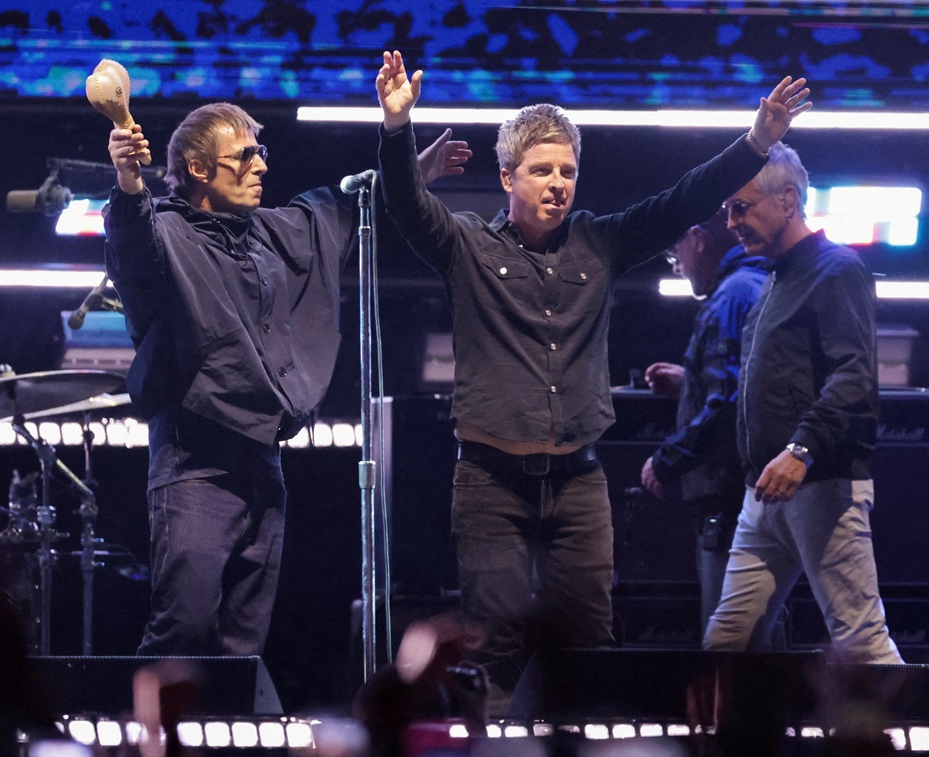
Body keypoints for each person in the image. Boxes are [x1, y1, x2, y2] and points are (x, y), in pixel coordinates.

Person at [374, 49, 811, 711]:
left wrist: (755, 142)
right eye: (541, 170)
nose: (558, 184)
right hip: (490, 484)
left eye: (568, 171)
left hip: (578, 484)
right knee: (494, 647)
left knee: (588, 647)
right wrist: (395, 127)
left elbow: (682, 201)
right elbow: (406, 205)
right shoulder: (466, 245)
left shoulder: (600, 242)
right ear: (507, 177)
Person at [104, 102, 469, 656]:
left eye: (261, 152)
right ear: (199, 169)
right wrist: (129, 180)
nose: (261, 165)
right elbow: (133, 243)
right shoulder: (167, 234)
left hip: (263, 462)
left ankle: (229, 715)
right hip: (194, 463)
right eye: (244, 155)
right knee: (185, 625)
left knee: (243, 639)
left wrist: (410, 169)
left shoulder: (273, 232)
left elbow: (347, 206)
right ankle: (149, 717)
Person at [702, 143, 903, 663]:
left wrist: (801, 450)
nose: (731, 222)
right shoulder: (776, 277)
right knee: (725, 647)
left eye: (741, 207)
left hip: (820, 485)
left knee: (863, 646)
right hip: (765, 492)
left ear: (788, 201)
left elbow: (854, 377)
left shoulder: (836, 270)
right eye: (727, 210)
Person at [639, 210, 768, 635]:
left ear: (697, 239)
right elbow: (750, 386)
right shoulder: (760, 283)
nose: (676, 265)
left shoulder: (730, 297)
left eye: (674, 251)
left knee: (728, 639)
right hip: (753, 493)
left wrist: (665, 460)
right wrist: (691, 383)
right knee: (759, 634)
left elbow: (728, 403)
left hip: (726, 497)